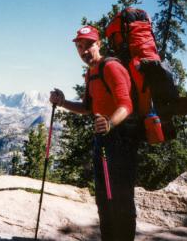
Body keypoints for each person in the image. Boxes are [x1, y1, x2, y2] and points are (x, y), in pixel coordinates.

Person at [50, 25, 141, 241]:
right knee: (103, 199)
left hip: (121, 140)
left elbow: (126, 105)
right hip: (103, 139)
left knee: (120, 200)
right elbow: (87, 107)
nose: (84, 50)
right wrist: (62, 102)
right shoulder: (91, 73)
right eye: (80, 46)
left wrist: (110, 122)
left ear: (98, 44)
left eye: (89, 45)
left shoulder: (111, 67)